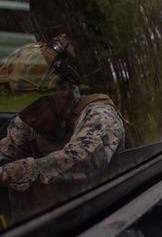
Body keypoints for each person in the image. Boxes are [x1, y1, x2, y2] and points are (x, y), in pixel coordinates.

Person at [0, 34, 125, 223]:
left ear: (63, 89)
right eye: (20, 111)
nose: (29, 119)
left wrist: (7, 174)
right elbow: (6, 155)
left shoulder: (99, 116)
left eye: (35, 107)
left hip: (107, 222)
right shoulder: (26, 124)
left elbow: (82, 160)